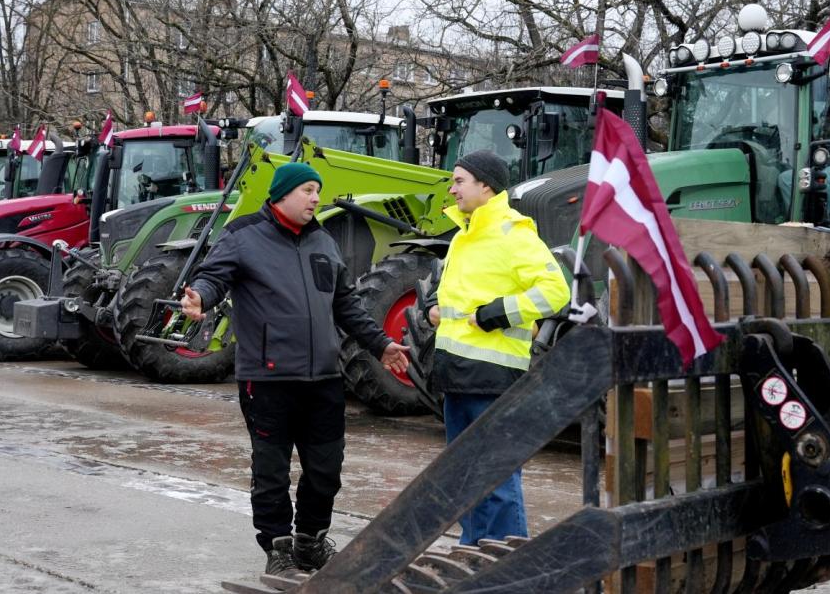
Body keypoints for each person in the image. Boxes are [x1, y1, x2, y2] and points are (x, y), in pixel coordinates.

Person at [181, 162, 409, 577]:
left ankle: (310, 542)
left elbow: (346, 304)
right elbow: (213, 277)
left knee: (326, 469)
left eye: (317, 191)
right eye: (307, 190)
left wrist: (381, 344)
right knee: (271, 470)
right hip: (268, 378)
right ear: (282, 193)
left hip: (323, 377)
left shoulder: (323, 240)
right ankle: (278, 548)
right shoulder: (243, 235)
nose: (316, 199)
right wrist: (201, 296)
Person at [428, 149, 570, 546]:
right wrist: (433, 311)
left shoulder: (512, 231)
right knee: (464, 473)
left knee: (494, 475)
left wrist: (497, 314)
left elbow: (556, 291)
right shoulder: (462, 236)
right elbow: (460, 299)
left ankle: (504, 560)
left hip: (491, 376)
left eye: (459, 180)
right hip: (456, 373)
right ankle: (473, 551)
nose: (452, 188)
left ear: (485, 184)